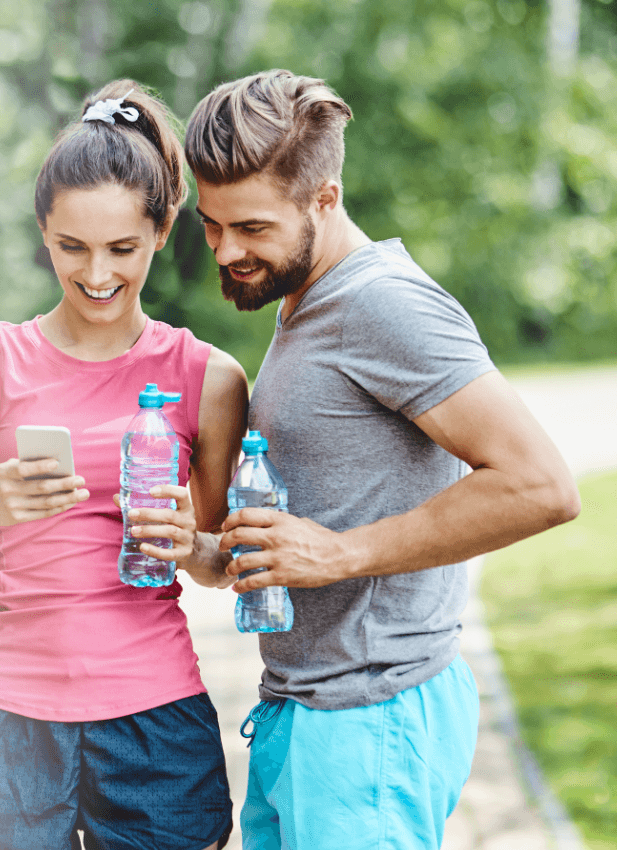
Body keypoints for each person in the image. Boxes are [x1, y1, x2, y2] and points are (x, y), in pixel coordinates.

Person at [184, 69, 582, 850]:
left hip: (368, 726)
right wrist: (207, 550)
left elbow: (541, 485)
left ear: (325, 198)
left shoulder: (384, 303)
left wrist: (343, 554)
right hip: (308, 712)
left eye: (253, 228)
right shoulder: (307, 297)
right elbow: (323, 510)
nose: (226, 250)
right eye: (211, 224)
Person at [0, 80, 247, 850]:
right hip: (6, 720)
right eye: (72, 247)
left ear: (162, 231)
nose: (97, 273)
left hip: (154, 721)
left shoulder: (208, 378)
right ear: (44, 230)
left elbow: (216, 563)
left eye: (121, 249)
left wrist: (192, 544)